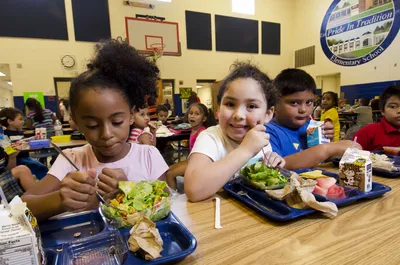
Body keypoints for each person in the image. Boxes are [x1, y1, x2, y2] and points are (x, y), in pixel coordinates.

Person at [21, 40, 168, 221]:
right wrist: (60, 199)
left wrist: (129, 190)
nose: (106, 134)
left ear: (131, 115)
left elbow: (168, 201)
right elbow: (21, 208)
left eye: (117, 122)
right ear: (76, 122)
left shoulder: (148, 156)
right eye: (92, 125)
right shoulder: (71, 159)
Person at [185, 62, 285, 202]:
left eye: (251, 106)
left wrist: (273, 162)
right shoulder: (210, 138)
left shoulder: (261, 140)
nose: (238, 115)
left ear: (268, 114)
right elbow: (193, 190)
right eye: (230, 104)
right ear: (218, 108)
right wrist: (245, 150)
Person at [266, 68, 360, 170]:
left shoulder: (312, 127)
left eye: (309, 102)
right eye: (294, 103)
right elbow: (278, 167)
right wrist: (326, 149)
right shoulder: (267, 132)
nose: (303, 109)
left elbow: (324, 163)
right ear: (274, 103)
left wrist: (328, 141)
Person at [166, 103, 216, 190]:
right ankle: (173, 193)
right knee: (167, 169)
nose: (192, 116)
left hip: (197, 164)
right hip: (191, 161)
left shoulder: (201, 132)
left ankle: (173, 200)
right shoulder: (193, 129)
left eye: (197, 114)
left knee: (169, 174)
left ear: (204, 118)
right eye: (191, 113)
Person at [0, 108, 48, 179]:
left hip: (26, 157)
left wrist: (30, 139)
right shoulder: (5, 135)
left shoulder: (19, 132)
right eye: (20, 119)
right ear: (10, 121)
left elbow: (20, 141)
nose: (23, 121)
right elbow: (13, 145)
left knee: (43, 168)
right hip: (17, 160)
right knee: (40, 168)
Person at [354, 85, 400, 151]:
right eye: (393, 106)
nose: (399, 111)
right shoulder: (366, 133)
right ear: (382, 111)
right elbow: (352, 158)